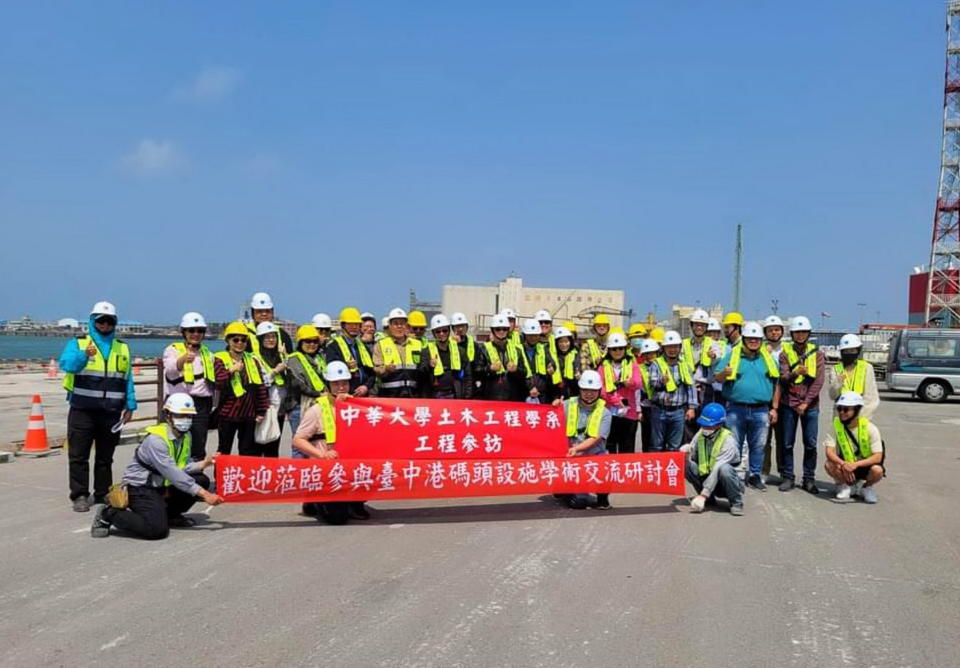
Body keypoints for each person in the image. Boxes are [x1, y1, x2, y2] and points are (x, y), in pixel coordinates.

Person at [90, 393, 224, 539]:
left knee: (201, 480)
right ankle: (109, 513)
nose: (185, 420)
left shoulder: (186, 436)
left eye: (188, 416)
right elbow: (174, 474)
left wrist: (205, 463)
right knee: (156, 530)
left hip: (161, 484)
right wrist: (205, 494)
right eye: (180, 415)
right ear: (168, 416)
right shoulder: (156, 440)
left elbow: (181, 467)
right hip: (141, 487)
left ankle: (170, 515)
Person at [59, 301, 137, 512]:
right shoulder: (80, 343)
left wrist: (130, 405)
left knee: (105, 457)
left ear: (115, 323)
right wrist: (84, 356)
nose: (105, 325)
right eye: (101, 321)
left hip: (111, 411)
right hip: (82, 409)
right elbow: (66, 365)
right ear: (93, 321)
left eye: (109, 321)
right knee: (78, 455)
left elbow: (127, 378)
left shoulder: (122, 347)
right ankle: (80, 495)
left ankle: (102, 493)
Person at [711, 321, 781, 489]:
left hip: (761, 409)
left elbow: (776, 383)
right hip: (736, 408)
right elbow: (717, 378)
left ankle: (755, 475)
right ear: (744, 339)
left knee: (758, 445)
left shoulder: (767, 359)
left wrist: (774, 408)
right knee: (734, 444)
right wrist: (723, 373)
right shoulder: (733, 355)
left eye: (756, 339)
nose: (753, 342)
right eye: (750, 339)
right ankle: (735, 475)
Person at [291, 361, 357, 523]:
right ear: (328, 385)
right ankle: (313, 499)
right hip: (326, 468)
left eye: (344, 383)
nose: (341, 387)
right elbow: (298, 440)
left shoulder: (356, 407)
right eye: (336, 384)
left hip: (350, 468)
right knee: (338, 518)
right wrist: (322, 454)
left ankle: (354, 501)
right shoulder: (317, 410)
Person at [163, 312, 230, 461]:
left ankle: (195, 477)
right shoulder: (173, 349)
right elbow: (170, 370)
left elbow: (215, 381)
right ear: (184, 332)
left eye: (200, 331)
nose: (196, 334)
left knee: (198, 445)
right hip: (177, 404)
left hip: (201, 405)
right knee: (172, 442)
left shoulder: (208, 354)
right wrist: (182, 360)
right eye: (191, 330)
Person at [778, 315, 825, 494]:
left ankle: (809, 479)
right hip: (789, 403)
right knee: (787, 442)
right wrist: (794, 373)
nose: (800, 335)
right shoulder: (785, 354)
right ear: (792, 333)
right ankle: (788, 476)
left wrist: (805, 403)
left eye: (803, 332)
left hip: (810, 406)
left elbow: (819, 381)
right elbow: (783, 379)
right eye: (797, 332)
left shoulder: (817, 354)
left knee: (810, 443)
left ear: (808, 333)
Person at [561, 370, 613, 509]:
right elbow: (550, 418)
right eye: (585, 390)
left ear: (599, 391)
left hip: (593, 455)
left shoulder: (605, 413)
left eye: (593, 390)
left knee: (605, 465)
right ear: (580, 389)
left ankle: (603, 497)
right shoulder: (567, 405)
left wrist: (577, 448)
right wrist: (553, 405)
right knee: (579, 503)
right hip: (571, 457)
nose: (589, 393)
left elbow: (596, 437)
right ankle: (564, 488)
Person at [679, 402, 744, 516]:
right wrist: (688, 450)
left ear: (719, 424)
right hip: (707, 475)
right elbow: (693, 451)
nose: (705, 428)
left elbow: (717, 468)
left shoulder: (728, 441)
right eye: (703, 424)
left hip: (727, 483)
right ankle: (709, 499)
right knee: (686, 464)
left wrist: (703, 495)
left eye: (709, 425)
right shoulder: (701, 433)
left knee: (725, 469)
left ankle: (736, 503)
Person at [214, 322, 269, 456]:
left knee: (247, 451)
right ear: (228, 340)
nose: (240, 343)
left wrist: (261, 411)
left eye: (243, 340)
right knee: (224, 450)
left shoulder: (252, 360)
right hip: (227, 414)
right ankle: (220, 476)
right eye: (236, 340)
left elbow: (260, 387)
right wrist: (231, 371)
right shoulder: (219, 359)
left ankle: (243, 477)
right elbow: (217, 383)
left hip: (249, 414)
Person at [823, 392, 885, 503]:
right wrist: (844, 464)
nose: (842, 412)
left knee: (878, 470)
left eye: (846, 409)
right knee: (829, 464)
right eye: (839, 408)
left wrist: (855, 465)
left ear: (856, 410)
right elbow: (829, 452)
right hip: (846, 465)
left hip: (864, 466)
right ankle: (845, 486)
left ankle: (866, 487)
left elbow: (878, 457)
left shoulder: (870, 428)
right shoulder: (835, 426)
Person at [648, 331, 698, 451]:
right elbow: (652, 382)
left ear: (680, 348)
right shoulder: (656, 364)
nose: (672, 349)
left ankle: (670, 469)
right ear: (663, 348)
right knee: (656, 445)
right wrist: (661, 381)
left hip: (678, 411)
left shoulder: (684, 365)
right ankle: (657, 469)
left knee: (674, 446)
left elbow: (691, 387)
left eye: (675, 346)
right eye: (669, 346)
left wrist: (691, 408)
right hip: (659, 410)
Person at [597, 332, 642, 454]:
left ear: (625, 349)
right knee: (609, 446)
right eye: (614, 349)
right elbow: (601, 390)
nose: (617, 351)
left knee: (627, 448)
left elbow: (639, 383)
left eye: (620, 348)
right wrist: (616, 401)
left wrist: (630, 383)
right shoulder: (602, 367)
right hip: (609, 412)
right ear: (609, 350)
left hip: (629, 413)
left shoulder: (632, 364)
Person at [373, 308, 427, 398]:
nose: (399, 326)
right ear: (389, 326)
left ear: (407, 326)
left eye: (402, 323)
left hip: (413, 395)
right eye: (396, 324)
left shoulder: (417, 344)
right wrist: (386, 369)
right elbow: (376, 368)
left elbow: (422, 369)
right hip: (389, 396)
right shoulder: (381, 345)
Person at [253, 321, 288, 458]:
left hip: (280, 409)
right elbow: (259, 383)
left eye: (273, 336)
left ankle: (270, 476)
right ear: (260, 340)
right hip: (264, 408)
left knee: (274, 444)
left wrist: (286, 357)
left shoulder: (280, 356)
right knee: (259, 443)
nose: (271, 340)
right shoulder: (256, 358)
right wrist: (275, 372)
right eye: (267, 337)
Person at [285, 324, 327, 433]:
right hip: (299, 407)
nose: (312, 344)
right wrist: (318, 394)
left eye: (315, 341)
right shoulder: (293, 359)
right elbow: (298, 384)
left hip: (319, 405)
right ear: (300, 343)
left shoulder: (320, 358)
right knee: (300, 444)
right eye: (307, 341)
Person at [828, 334, 880, 419]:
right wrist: (837, 383)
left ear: (858, 351)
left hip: (861, 416)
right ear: (841, 352)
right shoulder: (836, 369)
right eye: (846, 351)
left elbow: (872, 398)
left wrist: (856, 416)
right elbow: (832, 395)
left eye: (852, 351)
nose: (849, 354)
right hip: (840, 415)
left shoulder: (866, 368)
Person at [326, 307, 375, 398]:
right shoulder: (333, 347)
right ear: (342, 325)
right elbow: (331, 372)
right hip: (344, 396)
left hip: (363, 395)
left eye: (356, 324)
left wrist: (366, 386)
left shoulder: (363, 346)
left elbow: (371, 372)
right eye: (350, 324)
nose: (354, 327)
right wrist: (346, 366)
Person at [480, 313, 529, 401]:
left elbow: (525, 372)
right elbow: (476, 371)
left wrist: (516, 370)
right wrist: (489, 369)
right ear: (492, 330)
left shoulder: (517, 350)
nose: (501, 331)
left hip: (512, 397)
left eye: (504, 329)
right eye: (498, 329)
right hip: (491, 396)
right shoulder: (483, 349)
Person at [422, 314, 473, 399]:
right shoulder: (426, 351)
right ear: (433, 333)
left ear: (449, 331)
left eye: (444, 330)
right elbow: (421, 374)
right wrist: (429, 366)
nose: (441, 334)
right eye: (438, 331)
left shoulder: (460, 351)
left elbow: (468, 376)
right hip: (434, 395)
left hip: (454, 394)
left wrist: (467, 397)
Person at [761, 315, 787, 481]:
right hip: (765, 396)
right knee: (765, 438)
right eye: (770, 330)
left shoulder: (788, 349)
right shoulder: (760, 348)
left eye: (777, 329)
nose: (774, 332)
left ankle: (784, 471)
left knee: (783, 438)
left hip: (785, 397)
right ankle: (764, 471)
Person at [520, 318, 558, 403]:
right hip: (523, 395)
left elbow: (551, 362)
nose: (533, 338)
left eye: (535, 335)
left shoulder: (543, 349)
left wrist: (552, 367)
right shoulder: (518, 350)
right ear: (525, 335)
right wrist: (529, 388)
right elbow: (518, 374)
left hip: (541, 394)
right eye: (530, 335)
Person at [247, 292, 294, 358]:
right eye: (259, 311)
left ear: (272, 312)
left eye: (267, 311)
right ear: (252, 313)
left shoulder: (282, 334)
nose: (264, 314)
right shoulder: (245, 335)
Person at [635, 338, 661, 452]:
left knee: (658, 438)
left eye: (652, 353)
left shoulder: (663, 366)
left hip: (660, 406)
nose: (649, 356)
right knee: (646, 437)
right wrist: (639, 410)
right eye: (646, 354)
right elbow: (636, 391)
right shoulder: (639, 368)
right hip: (646, 407)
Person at [451, 311, 483, 395]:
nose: (460, 329)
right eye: (457, 326)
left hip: (470, 381)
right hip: (454, 381)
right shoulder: (449, 344)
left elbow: (479, 363)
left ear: (467, 327)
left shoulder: (473, 344)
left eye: (463, 326)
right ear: (453, 328)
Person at [554, 326, 581, 399]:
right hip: (555, 392)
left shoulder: (576, 354)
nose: (564, 345)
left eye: (566, 341)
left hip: (573, 391)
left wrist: (579, 375)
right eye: (561, 342)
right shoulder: (553, 355)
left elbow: (579, 368)